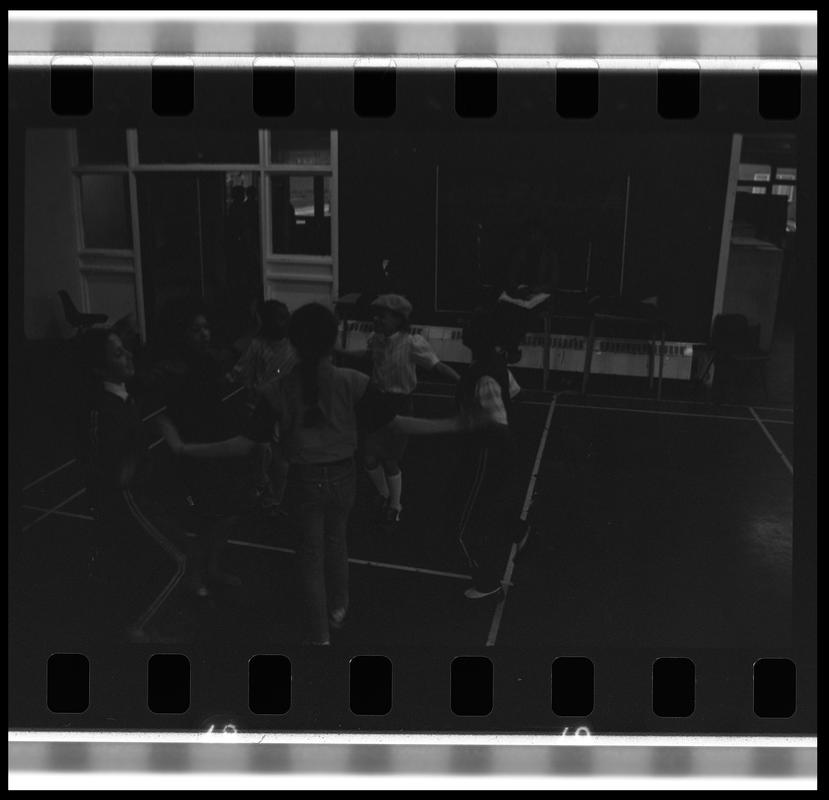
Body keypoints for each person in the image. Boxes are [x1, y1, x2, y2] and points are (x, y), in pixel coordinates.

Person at [161, 302, 494, 646]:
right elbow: (396, 424)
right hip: (343, 480)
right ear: (332, 339)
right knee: (336, 543)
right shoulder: (354, 381)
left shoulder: (277, 390)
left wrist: (186, 449)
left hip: (304, 482)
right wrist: (454, 424)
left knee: (310, 557)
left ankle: (321, 635)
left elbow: (244, 443)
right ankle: (340, 605)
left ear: (293, 342)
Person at [74, 327, 195, 642]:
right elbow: (111, 471)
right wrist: (131, 461)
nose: (128, 355)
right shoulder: (104, 409)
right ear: (99, 369)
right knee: (179, 560)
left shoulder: (123, 397)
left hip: (139, 495)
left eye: (125, 349)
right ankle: (138, 628)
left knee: (157, 560)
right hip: (126, 500)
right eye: (118, 353)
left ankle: (147, 625)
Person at [153, 297, 261, 592]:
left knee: (229, 511)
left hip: (217, 446)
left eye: (206, 328)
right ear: (180, 333)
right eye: (196, 329)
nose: (205, 334)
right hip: (194, 451)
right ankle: (195, 574)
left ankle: (211, 568)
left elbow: (231, 355)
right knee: (210, 517)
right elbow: (158, 413)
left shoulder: (207, 361)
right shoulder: (169, 370)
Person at [360, 294, 461, 526]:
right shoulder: (375, 339)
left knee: (390, 459)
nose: (376, 320)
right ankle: (384, 494)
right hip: (377, 402)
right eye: (375, 315)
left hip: (400, 405)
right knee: (368, 456)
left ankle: (395, 505)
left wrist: (462, 381)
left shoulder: (412, 343)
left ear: (398, 319)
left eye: (382, 316)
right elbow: (368, 357)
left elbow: (437, 366)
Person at [451, 307, 524, 600]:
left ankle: (487, 582)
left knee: (466, 523)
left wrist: (474, 424)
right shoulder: (493, 367)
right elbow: (515, 392)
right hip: (491, 453)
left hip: (487, 453)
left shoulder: (483, 376)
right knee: (486, 507)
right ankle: (519, 531)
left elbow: (497, 423)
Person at [227, 299, 297, 507]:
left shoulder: (293, 346)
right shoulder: (258, 345)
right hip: (260, 406)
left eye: (286, 317)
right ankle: (263, 486)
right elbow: (242, 372)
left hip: (282, 408)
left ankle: (275, 497)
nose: (285, 322)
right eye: (280, 318)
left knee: (279, 455)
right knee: (262, 450)